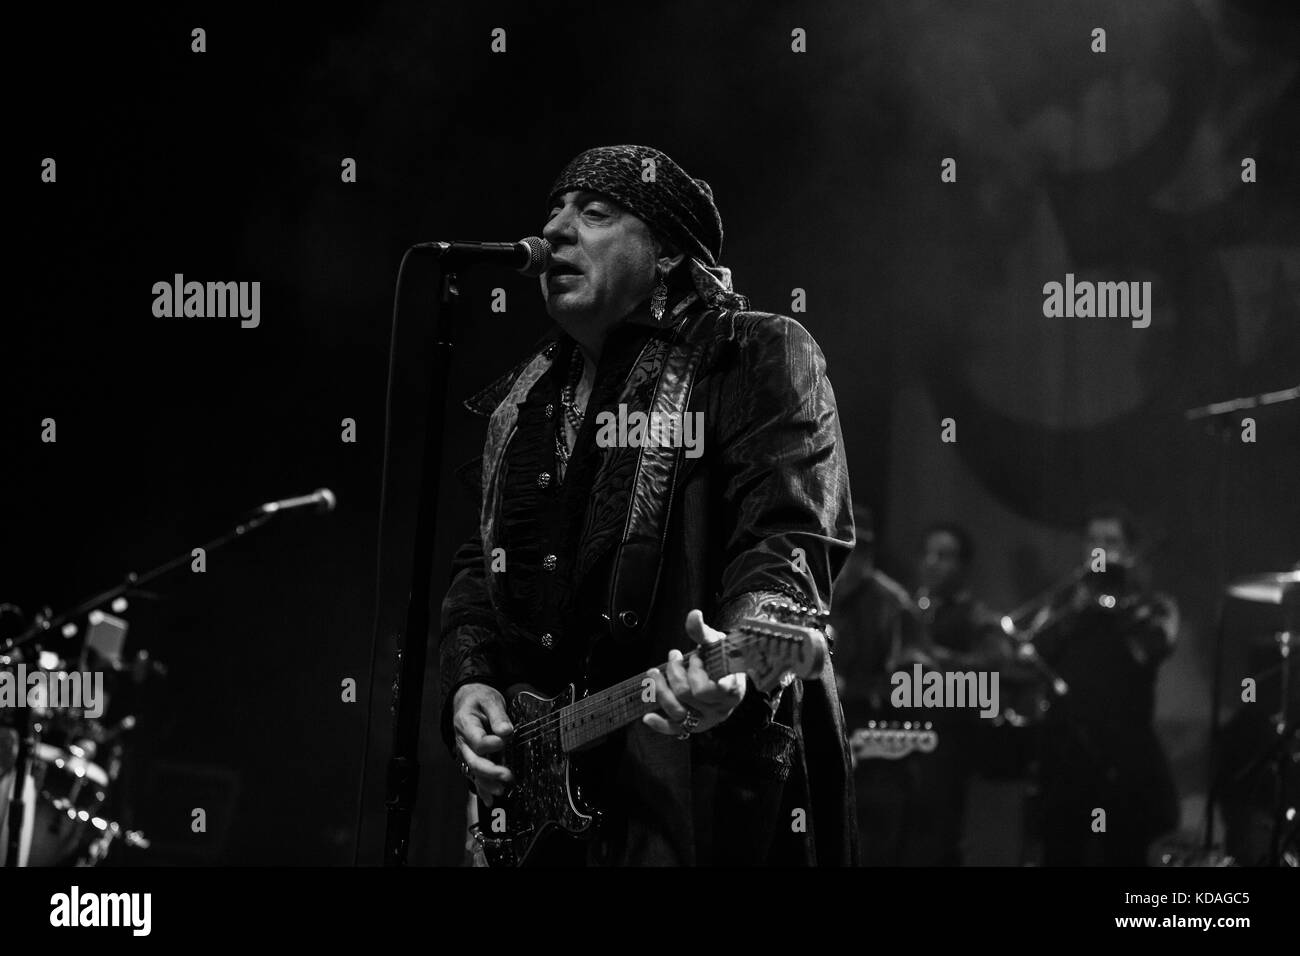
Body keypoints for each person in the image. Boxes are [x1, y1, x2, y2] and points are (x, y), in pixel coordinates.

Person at [437, 145, 856, 866]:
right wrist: (472, 680)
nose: (558, 231)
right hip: (551, 812)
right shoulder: (524, 404)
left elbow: (787, 538)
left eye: (595, 214)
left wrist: (741, 656)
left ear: (665, 254)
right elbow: (482, 564)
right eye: (554, 212)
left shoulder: (754, 353)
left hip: (704, 780)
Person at [1032, 505, 1180, 866]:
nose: (1100, 549)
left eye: (1111, 541)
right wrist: (1078, 607)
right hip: (1066, 753)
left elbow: (1150, 650)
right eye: (1093, 541)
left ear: (1129, 551)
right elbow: (1033, 652)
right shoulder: (1064, 605)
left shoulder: (1153, 606)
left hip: (1124, 760)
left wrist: (1116, 601)